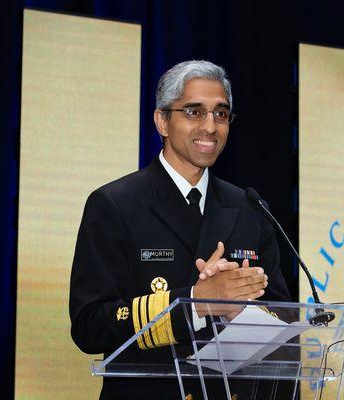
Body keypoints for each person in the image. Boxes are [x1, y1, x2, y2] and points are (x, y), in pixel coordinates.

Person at [69, 60, 291, 399]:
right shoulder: (115, 204)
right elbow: (90, 326)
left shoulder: (251, 208)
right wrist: (197, 302)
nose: (210, 127)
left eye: (221, 114)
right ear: (162, 121)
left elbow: (285, 323)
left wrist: (237, 311)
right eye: (193, 112)